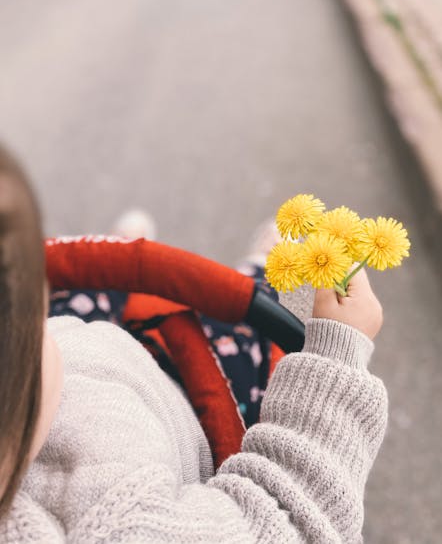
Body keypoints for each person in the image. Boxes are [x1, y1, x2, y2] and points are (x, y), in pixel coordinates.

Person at [0, 144, 387, 543]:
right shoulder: (116, 516)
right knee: (239, 338)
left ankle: (125, 253)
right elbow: (291, 522)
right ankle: (263, 269)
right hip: (187, 390)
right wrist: (338, 357)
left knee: (89, 291)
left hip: (111, 351)